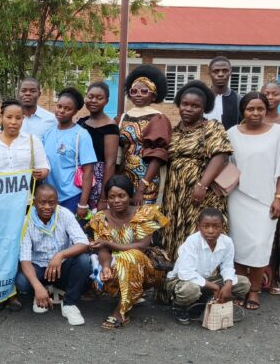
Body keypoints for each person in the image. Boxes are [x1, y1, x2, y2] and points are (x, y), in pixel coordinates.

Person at [226, 92, 280, 310]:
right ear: (242, 111)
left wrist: (279, 197)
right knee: (238, 246)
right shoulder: (232, 133)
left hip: (266, 199)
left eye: (260, 109)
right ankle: (240, 289)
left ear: (266, 110)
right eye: (250, 109)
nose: (255, 113)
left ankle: (254, 290)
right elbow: (227, 165)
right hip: (238, 198)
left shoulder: (279, 133)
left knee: (260, 245)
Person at [158, 81, 232, 264]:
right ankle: (178, 277)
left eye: (195, 106)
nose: (188, 109)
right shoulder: (174, 131)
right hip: (175, 194)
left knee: (200, 233)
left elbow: (220, 155)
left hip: (202, 193)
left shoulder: (212, 126)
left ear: (203, 108)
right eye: (185, 104)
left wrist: (202, 185)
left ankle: (204, 278)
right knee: (175, 234)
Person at [87, 175, 169, 330]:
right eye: (112, 197)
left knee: (130, 255)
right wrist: (106, 266)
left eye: (121, 196)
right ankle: (129, 295)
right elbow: (102, 248)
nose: (116, 200)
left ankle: (120, 312)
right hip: (116, 266)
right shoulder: (100, 218)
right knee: (104, 270)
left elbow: (141, 246)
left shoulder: (144, 213)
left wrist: (109, 243)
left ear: (130, 196)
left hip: (146, 270)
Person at [14, 184, 91, 325]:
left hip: (61, 266)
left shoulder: (64, 214)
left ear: (57, 202)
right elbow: (25, 260)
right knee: (22, 282)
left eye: (52, 203)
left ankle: (69, 303)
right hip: (39, 267)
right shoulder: (26, 221)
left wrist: (60, 255)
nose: (47, 207)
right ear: (34, 202)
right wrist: (37, 286)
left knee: (84, 261)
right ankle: (41, 291)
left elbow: (83, 243)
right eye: (42, 202)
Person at [164, 207, 251, 324]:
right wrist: (215, 287)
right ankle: (180, 306)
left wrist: (228, 285)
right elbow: (186, 273)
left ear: (222, 227)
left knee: (243, 283)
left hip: (206, 279)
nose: (210, 231)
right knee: (191, 290)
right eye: (205, 226)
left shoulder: (227, 242)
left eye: (216, 227)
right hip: (181, 280)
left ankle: (205, 300)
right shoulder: (192, 241)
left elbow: (227, 267)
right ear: (198, 227)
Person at [117, 65, 171, 204]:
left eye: (144, 91)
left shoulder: (158, 118)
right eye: (134, 91)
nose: (138, 94)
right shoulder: (124, 117)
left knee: (143, 215)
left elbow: (158, 155)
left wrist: (142, 188)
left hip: (147, 180)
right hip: (124, 178)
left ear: (153, 95)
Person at [42, 87, 96, 216]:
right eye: (59, 106)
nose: (61, 111)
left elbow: (88, 171)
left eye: (67, 109)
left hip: (71, 197)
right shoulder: (48, 133)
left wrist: (82, 203)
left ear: (75, 111)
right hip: (49, 197)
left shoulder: (81, 135)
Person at [0, 99, 50, 180]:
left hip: (25, 188)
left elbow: (43, 166)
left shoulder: (33, 141)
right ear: (1, 117)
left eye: (18, 118)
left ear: (23, 118)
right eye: (9, 117)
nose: (13, 122)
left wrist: (40, 173)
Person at [77, 81, 121, 210]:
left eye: (99, 98)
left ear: (106, 101)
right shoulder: (81, 123)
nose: (93, 101)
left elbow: (110, 163)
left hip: (98, 180)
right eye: (90, 97)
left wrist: (104, 197)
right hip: (79, 176)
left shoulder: (110, 127)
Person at [205, 56, 241, 129]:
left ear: (230, 72)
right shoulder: (202, 98)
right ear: (209, 73)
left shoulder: (239, 100)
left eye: (225, 71)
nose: (220, 74)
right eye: (216, 71)